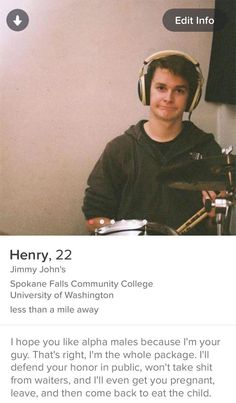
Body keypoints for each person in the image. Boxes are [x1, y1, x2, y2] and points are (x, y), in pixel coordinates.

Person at [82, 50, 221, 235]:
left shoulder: (208, 150)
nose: (168, 98)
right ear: (146, 91)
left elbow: (215, 229)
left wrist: (215, 216)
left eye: (179, 90)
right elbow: (93, 219)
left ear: (191, 98)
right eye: (161, 88)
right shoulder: (119, 149)